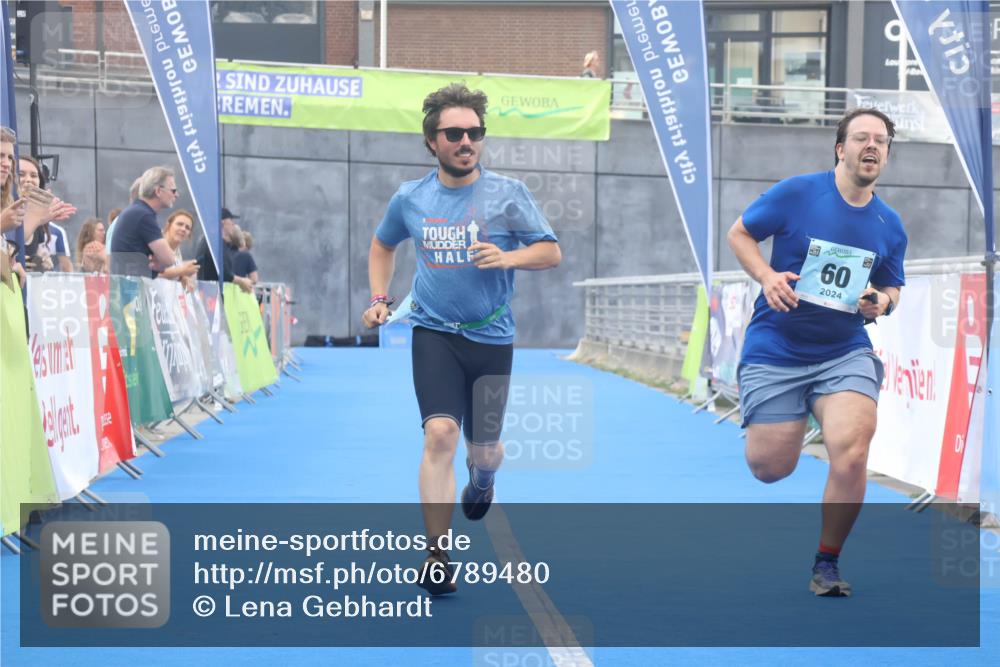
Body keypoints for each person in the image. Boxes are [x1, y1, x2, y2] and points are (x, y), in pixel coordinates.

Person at [362, 83, 561, 596]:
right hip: (433, 332)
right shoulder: (411, 198)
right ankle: (437, 554)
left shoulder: (509, 195)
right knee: (440, 434)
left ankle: (485, 479)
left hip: (491, 337)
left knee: (486, 450)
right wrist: (381, 297)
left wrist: (508, 257)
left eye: (474, 132)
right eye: (454, 133)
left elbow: (549, 252)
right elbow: (383, 245)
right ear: (432, 141)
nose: (466, 141)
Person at [726, 108, 907, 597]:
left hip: (844, 348)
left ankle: (827, 563)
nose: (872, 146)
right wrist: (766, 277)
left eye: (882, 141)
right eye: (862, 138)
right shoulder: (797, 193)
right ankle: (798, 413)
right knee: (769, 468)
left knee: (851, 451)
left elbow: (893, 286)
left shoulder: (889, 224)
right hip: (777, 346)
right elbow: (739, 233)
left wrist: (882, 301)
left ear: (887, 154)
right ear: (840, 147)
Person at [108, 167, 178, 276]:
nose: (176, 195)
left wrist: (161, 262)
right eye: (173, 190)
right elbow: (169, 259)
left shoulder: (138, 211)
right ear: (158, 191)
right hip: (132, 288)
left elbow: (165, 259)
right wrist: (161, 262)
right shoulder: (143, 215)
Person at [18, 156, 74, 273]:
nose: (28, 180)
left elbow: (34, 258)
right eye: (21, 174)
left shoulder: (39, 222)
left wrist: (43, 262)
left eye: (34, 175)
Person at [195, 207, 253, 292]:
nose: (234, 224)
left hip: (211, 292)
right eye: (231, 221)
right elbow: (224, 273)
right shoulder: (215, 242)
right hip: (212, 294)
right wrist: (242, 281)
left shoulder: (214, 241)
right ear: (222, 222)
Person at [159, 209, 200, 289]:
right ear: (168, 225)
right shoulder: (156, 244)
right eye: (179, 224)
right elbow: (154, 272)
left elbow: (171, 273)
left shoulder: (177, 252)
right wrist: (182, 271)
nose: (183, 229)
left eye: (187, 228)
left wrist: (182, 278)